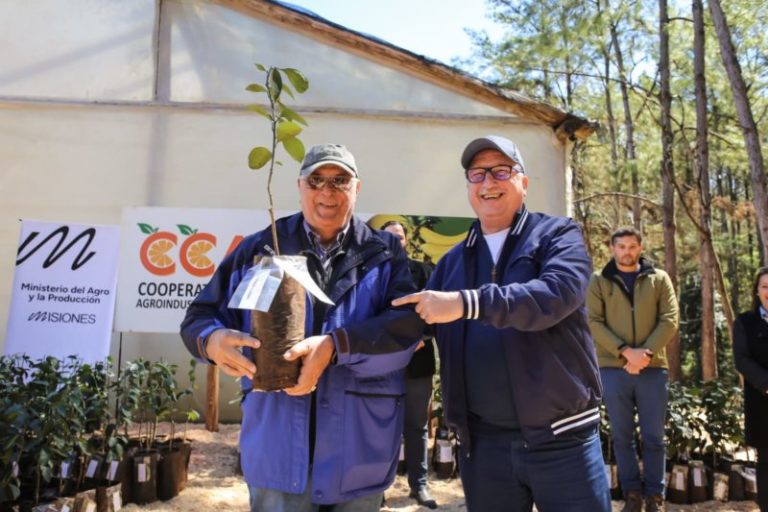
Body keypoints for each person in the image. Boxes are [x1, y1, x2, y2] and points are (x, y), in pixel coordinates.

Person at [180, 143, 423, 512]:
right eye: (316, 180)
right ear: (299, 186)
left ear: (357, 188)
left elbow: (405, 331)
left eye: (340, 180)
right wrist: (212, 341)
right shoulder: (261, 248)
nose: (327, 191)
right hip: (278, 452)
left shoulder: (385, 253)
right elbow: (200, 316)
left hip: (358, 454)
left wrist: (335, 345)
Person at [393, 135, 611, 512]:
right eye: (477, 174)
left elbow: (554, 295)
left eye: (501, 171)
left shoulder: (558, 236)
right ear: (468, 188)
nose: (488, 183)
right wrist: (334, 343)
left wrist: (467, 302)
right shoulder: (452, 263)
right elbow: (409, 323)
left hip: (563, 440)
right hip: (485, 446)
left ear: (523, 183)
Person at [586, 226, 679, 512]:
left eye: (631, 246)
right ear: (612, 249)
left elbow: (670, 319)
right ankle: (633, 496)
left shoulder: (659, 279)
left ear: (640, 248)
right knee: (622, 437)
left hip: (653, 369)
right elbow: (593, 321)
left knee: (654, 437)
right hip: (614, 369)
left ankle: (654, 496)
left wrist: (645, 354)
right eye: (621, 246)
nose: (626, 251)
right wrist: (626, 353)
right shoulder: (599, 281)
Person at [381, 220, 438, 509]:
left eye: (399, 237)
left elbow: (437, 314)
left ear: (406, 241)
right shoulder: (371, 274)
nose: (395, 241)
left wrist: (421, 338)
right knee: (381, 427)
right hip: (381, 365)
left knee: (417, 427)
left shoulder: (425, 272)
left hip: (418, 361)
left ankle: (419, 486)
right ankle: (376, 489)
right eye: (388, 237)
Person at [733, 267, 768, 512]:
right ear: (757, 291)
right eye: (765, 286)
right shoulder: (745, 322)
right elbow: (742, 360)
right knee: (766, 462)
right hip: (761, 401)